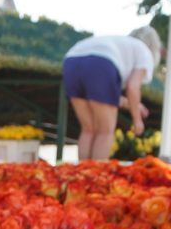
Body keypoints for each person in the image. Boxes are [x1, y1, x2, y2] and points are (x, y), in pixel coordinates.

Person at [62, 27, 161, 160]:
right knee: (105, 132)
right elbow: (133, 87)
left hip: (71, 60)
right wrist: (137, 120)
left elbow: (106, 96)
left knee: (88, 130)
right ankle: (98, 176)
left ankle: (82, 174)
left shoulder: (121, 46)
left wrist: (134, 106)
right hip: (101, 63)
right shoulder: (144, 52)